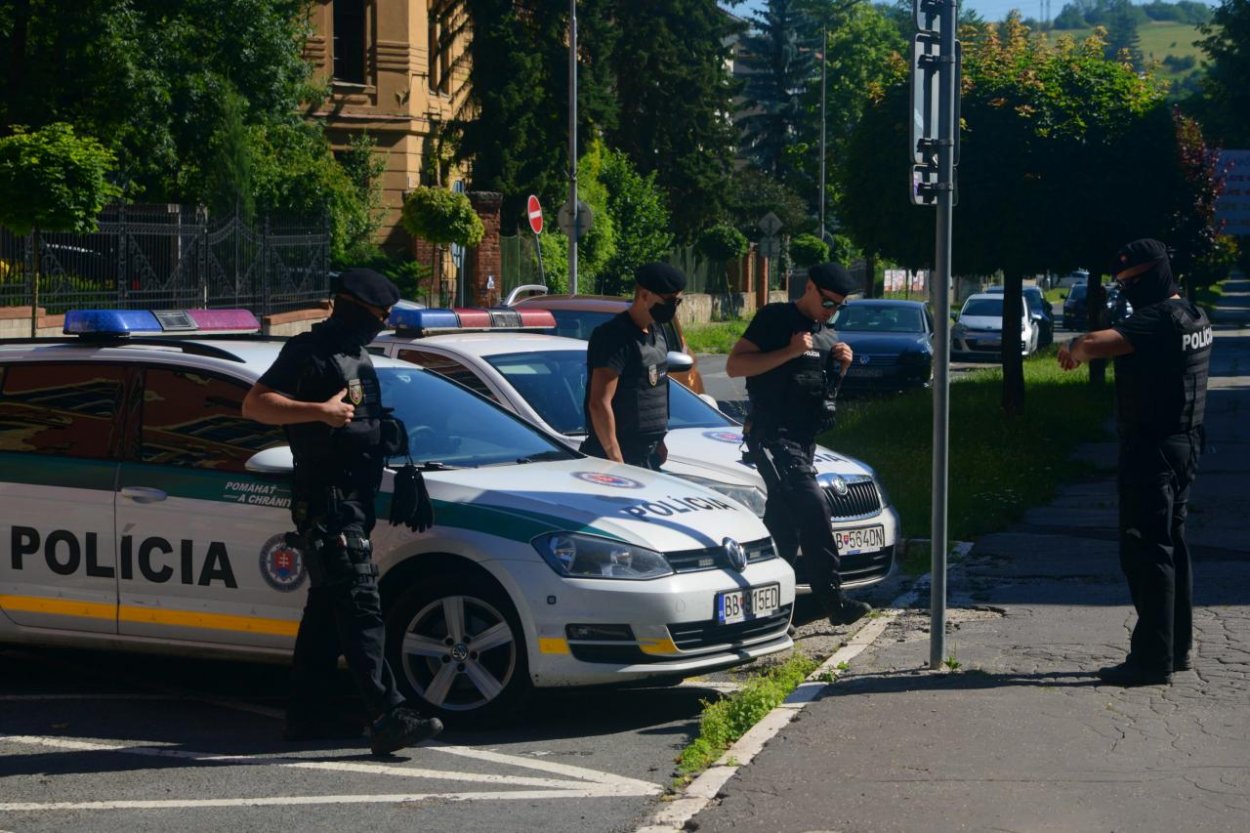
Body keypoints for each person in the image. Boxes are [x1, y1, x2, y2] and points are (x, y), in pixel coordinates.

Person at [242, 268, 443, 753]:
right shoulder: (306, 352)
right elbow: (256, 405)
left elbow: (360, 417)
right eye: (376, 315)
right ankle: (388, 713)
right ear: (348, 305)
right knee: (359, 606)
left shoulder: (355, 356)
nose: (381, 323)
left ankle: (307, 718)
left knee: (328, 615)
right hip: (328, 503)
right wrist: (319, 413)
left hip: (355, 498)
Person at [1058, 239, 1212, 686]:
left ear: (1159, 274)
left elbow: (1093, 344)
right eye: (1122, 284)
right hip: (1185, 442)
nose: (1128, 290)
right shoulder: (1196, 316)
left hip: (1153, 450)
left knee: (1146, 552)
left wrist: (1073, 345)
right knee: (1172, 548)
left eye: (1135, 281)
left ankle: (1150, 660)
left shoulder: (1159, 319)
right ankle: (1176, 647)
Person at [726, 263, 872, 627]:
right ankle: (833, 601)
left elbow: (818, 394)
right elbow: (734, 365)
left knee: (784, 527)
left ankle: (771, 612)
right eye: (826, 302)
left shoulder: (826, 333)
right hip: (772, 437)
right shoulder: (775, 318)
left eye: (838, 306)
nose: (830, 311)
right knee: (814, 508)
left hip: (804, 440)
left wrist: (841, 368)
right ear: (808, 288)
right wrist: (789, 352)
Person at [581, 262, 686, 468]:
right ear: (645, 296)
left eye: (677, 301)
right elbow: (599, 403)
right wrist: (616, 460)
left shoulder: (657, 332)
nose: (673, 306)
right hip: (619, 457)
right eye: (670, 300)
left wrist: (660, 441)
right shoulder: (614, 337)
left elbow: (654, 386)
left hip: (647, 453)